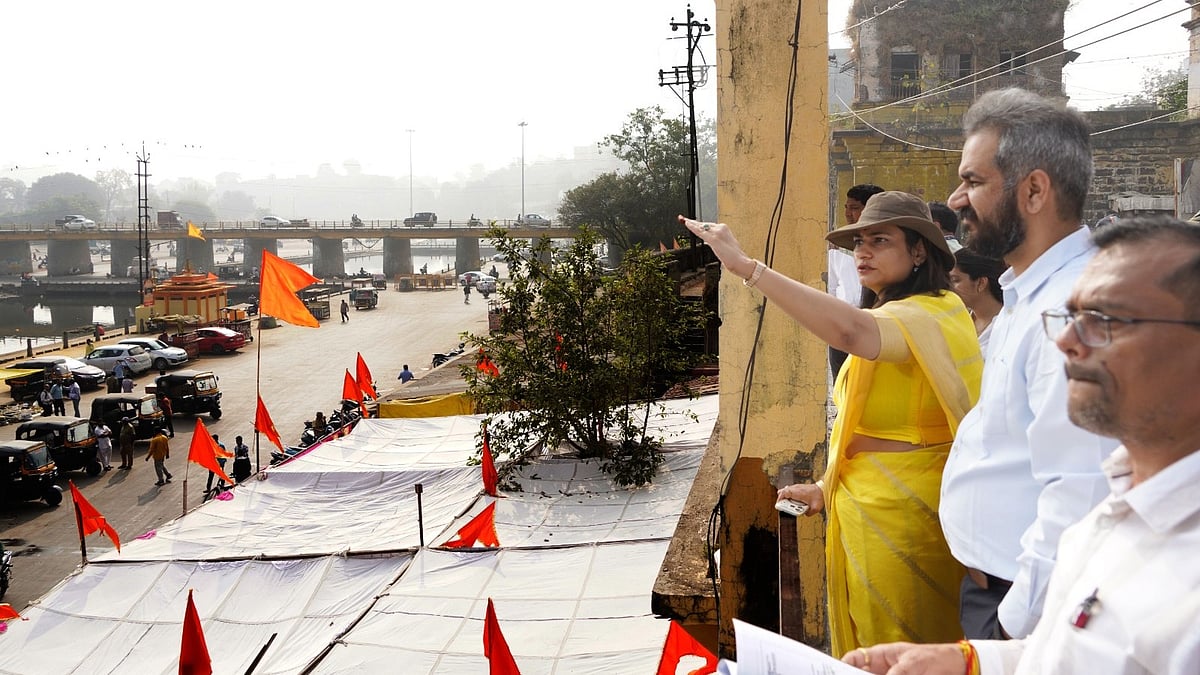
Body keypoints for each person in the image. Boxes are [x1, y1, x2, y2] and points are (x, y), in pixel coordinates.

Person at [844, 215, 1200, 675]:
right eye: (1070, 317)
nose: (1068, 341)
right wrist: (972, 661)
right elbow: (1073, 654)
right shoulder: (1107, 515)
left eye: (1105, 319)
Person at [682, 191, 984, 655]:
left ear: (919, 250)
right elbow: (873, 423)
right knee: (868, 644)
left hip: (907, 518)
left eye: (880, 240)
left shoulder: (930, 313)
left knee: (904, 653)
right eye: (859, 241)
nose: (863, 251)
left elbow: (848, 332)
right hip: (866, 504)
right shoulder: (899, 314)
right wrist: (826, 488)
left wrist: (748, 268)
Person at [939, 88, 1116, 640]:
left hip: (1024, 602)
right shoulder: (1029, 294)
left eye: (973, 181)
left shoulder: (1069, 310)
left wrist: (1014, 629)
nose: (955, 199)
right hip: (1002, 587)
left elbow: (1083, 489)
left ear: (1034, 189)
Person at [827, 184, 884, 379]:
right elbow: (832, 285)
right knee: (842, 384)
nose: (848, 213)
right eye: (846, 207)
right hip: (842, 326)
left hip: (877, 327)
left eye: (854, 208)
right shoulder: (837, 245)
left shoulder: (891, 247)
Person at [950, 249, 1006, 356]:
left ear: (981, 283)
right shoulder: (958, 319)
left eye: (955, 280)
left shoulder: (1007, 326)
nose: (949, 288)